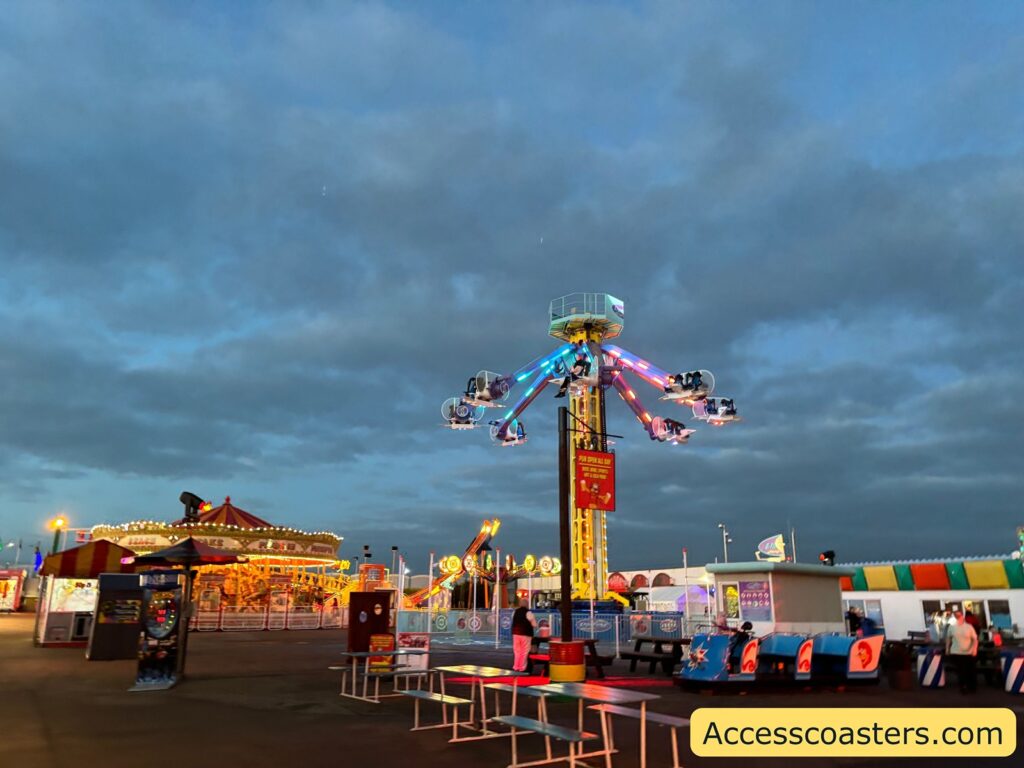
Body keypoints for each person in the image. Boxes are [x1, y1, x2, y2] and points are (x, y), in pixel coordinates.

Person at [946, 610, 978, 694]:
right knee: (961, 671)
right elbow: (948, 639)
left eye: (959, 616)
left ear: (962, 617)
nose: (958, 617)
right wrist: (947, 649)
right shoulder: (952, 627)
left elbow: (975, 639)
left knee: (970, 670)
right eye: (956, 616)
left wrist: (974, 649)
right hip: (956, 652)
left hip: (968, 652)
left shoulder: (969, 627)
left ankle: (972, 687)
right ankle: (963, 687)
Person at [511, 597, 538, 672]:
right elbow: (534, 624)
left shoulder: (515, 612)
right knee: (524, 651)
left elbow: (513, 620)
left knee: (517, 651)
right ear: (527, 604)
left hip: (515, 634)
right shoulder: (528, 613)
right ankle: (522, 668)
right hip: (525, 634)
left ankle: (516, 666)